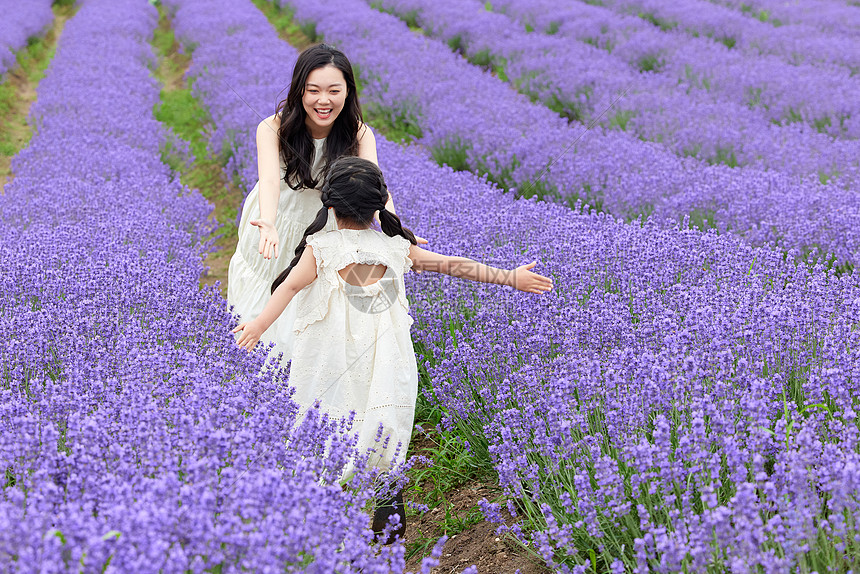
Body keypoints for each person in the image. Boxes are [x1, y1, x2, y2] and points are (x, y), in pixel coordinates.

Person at [231, 156, 553, 543]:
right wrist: (510, 278)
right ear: (381, 204)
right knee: (385, 426)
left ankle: (323, 520)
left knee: (327, 420)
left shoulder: (322, 247)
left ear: (328, 205)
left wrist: (258, 325)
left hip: (330, 358)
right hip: (387, 358)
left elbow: (288, 288)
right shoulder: (397, 248)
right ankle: (387, 522)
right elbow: (454, 266)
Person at [227, 43, 419, 359]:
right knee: (268, 290)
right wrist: (269, 222)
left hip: (326, 225)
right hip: (277, 220)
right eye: (313, 90)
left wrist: (397, 236)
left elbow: (376, 188)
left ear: (348, 92)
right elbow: (271, 182)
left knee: (309, 300)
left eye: (334, 90)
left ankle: (297, 380)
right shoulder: (272, 127)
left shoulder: (359, 134)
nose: (323, 100)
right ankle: (254, 367)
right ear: (299, 91)